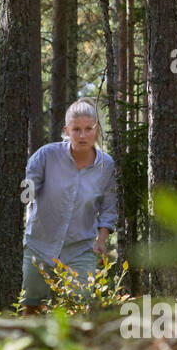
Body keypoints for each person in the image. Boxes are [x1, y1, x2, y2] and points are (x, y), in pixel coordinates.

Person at [20, 97, 117, 312]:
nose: (83, 135)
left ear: (96, 129)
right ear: (66, 130)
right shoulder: (46, 156)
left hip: (80, 250)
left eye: (88, 129)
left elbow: (109, 208)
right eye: (76, 130)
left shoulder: (106, 165)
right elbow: (26, 192)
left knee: (77, 311)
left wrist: (101, 240)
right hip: (40, 246)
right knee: (31, 309)